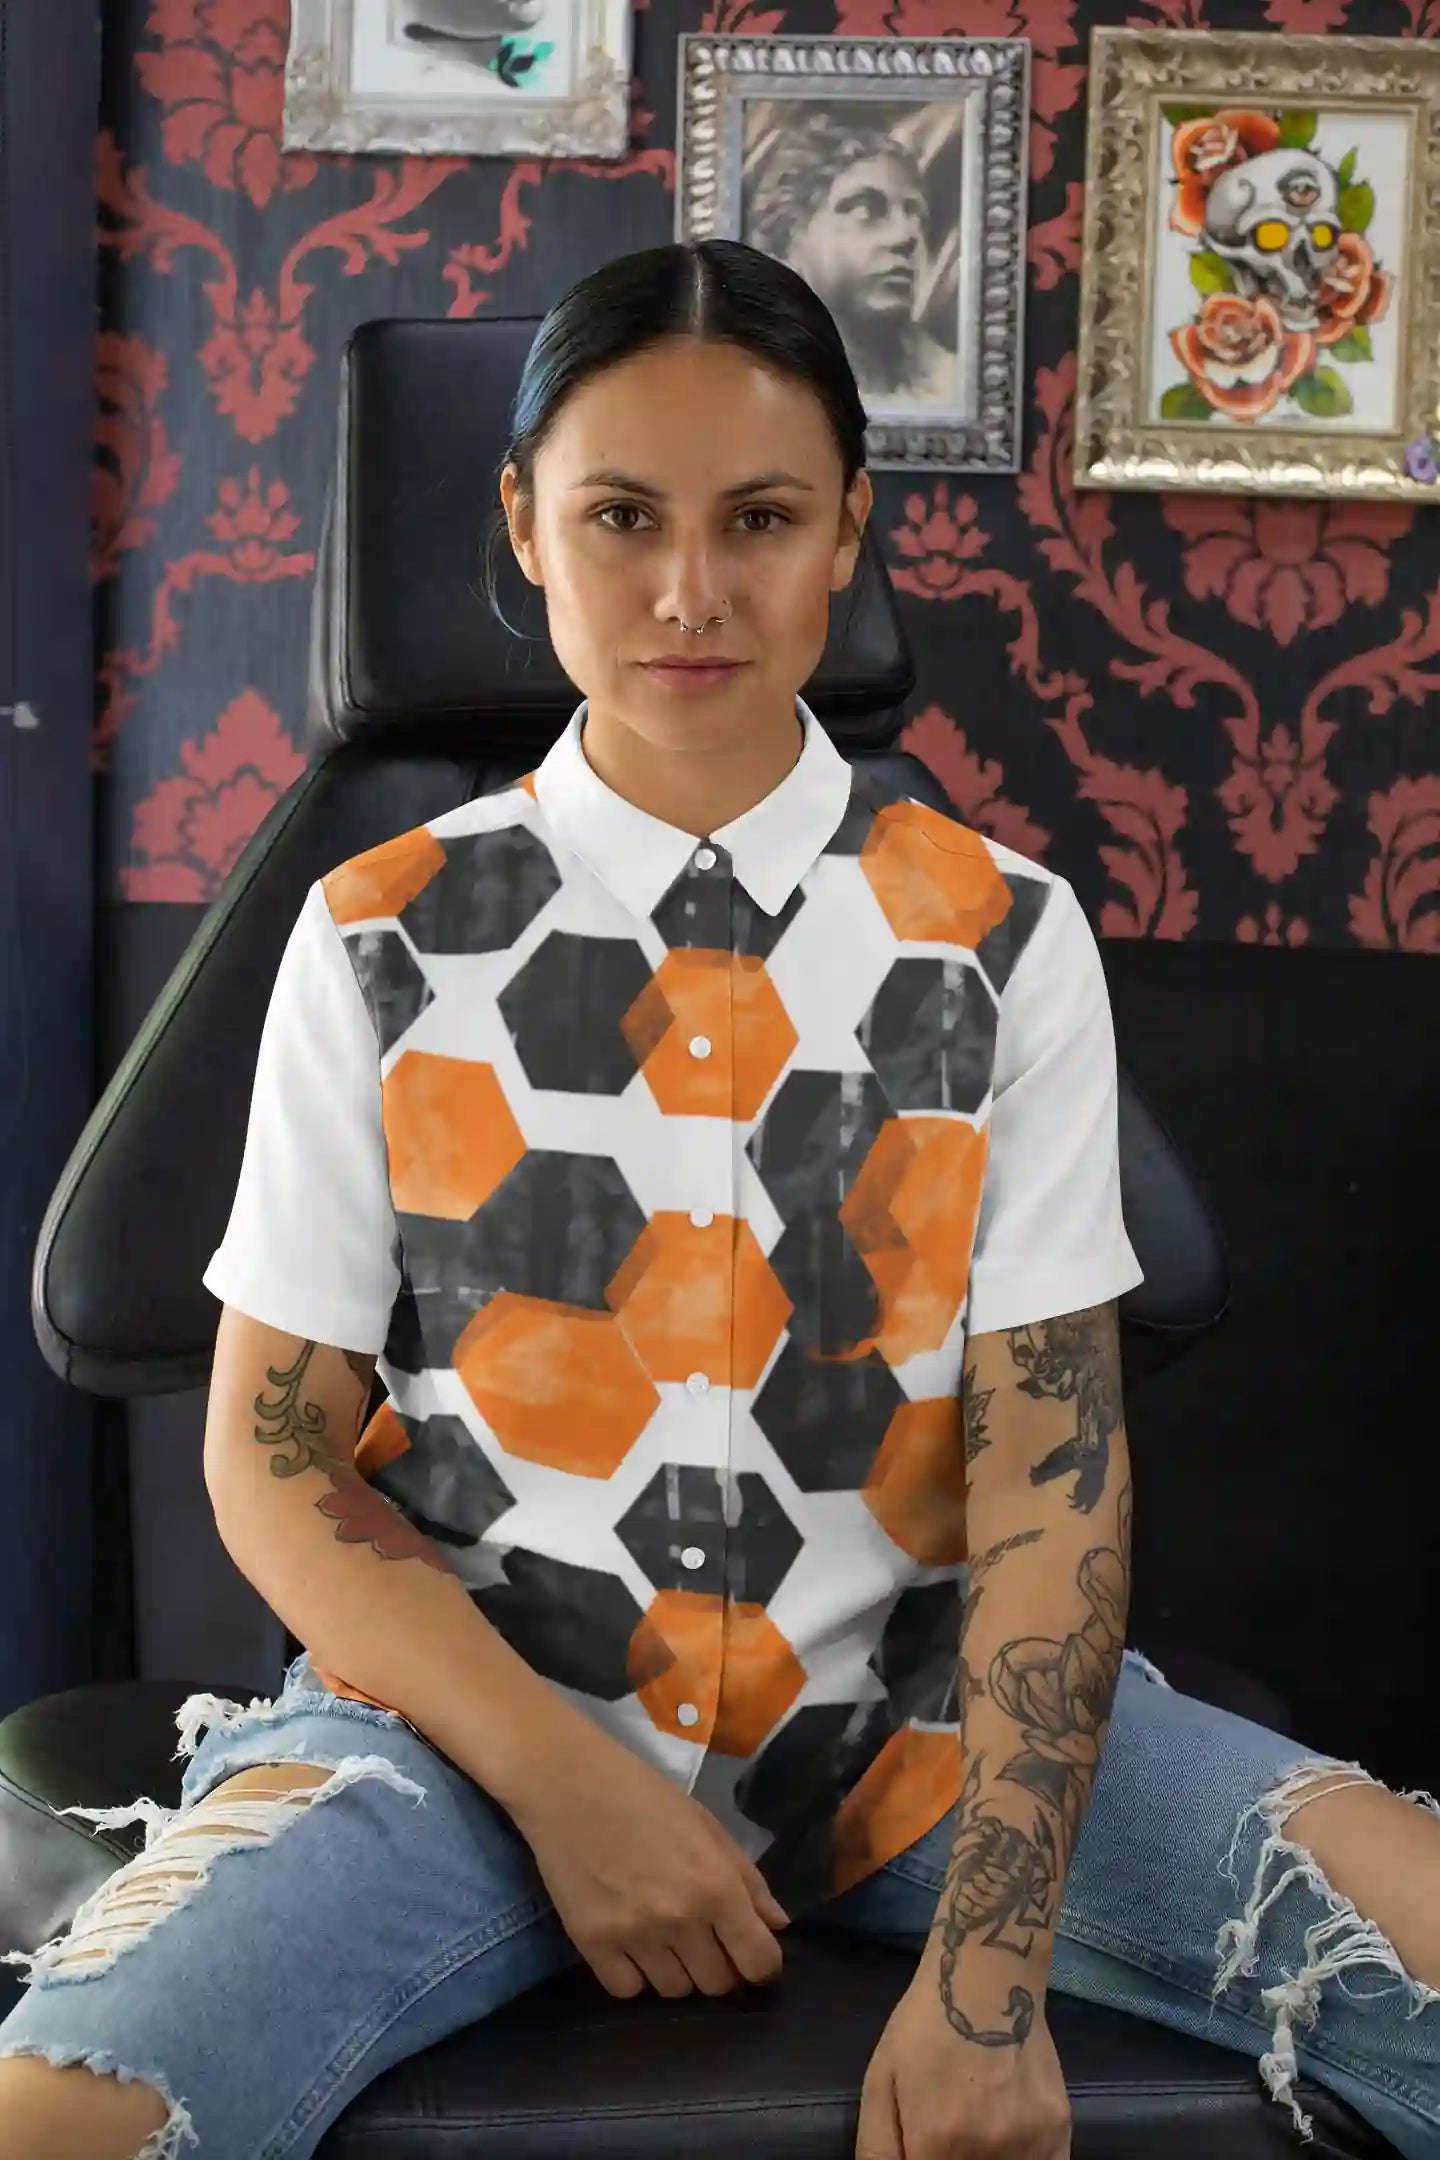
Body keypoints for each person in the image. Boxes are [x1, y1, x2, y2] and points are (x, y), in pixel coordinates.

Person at [0, 238, 1436, 2160]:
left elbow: (1050, 1475)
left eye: (760, 518)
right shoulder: (380, 933)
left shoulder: (1001, 937)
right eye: (623, 517)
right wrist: (575, 1795)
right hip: (455, 1752)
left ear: (848, 533)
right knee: (64, 2114)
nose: (691, 591)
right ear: (524, 527)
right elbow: (272, 1455)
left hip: (924, 1733)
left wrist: (989, 1981)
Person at [745, 108, 958, 406]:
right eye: (866, 209)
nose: (907, 236)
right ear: (788, 239)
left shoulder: (953, 387)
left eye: (916, 217)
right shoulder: (746, 382)